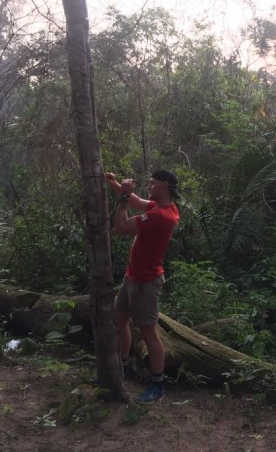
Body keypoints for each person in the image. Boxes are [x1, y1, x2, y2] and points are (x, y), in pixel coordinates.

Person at [105, 169, 181, 403]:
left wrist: (123, 199)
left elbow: (120, 227)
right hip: (132, 278)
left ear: (164, 185)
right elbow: (137, 201)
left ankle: (157, 384)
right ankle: (123, 367)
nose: (149, 186)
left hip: (146, 283)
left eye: (153, 183)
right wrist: (116, 184)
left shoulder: (161, 216)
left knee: (149, 333)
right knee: (120, 321)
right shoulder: (162, 207)